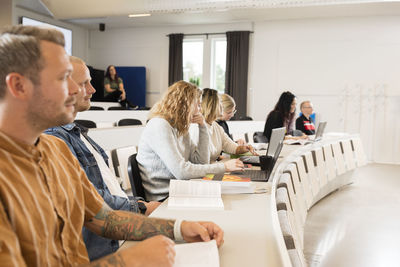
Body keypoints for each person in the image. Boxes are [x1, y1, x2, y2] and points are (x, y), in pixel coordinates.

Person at [0, 25, 223, 266]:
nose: (76, 89)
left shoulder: (57, 150)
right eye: (62, 78)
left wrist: (181, 228)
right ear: (19, 86)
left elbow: (105, 219)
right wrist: (127, 262)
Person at [45, 56, 161, 260]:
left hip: (116, 236)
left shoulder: (75, 133)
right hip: (105, 249)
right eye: (83, 83)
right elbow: (92, 206)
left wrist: (173, 227)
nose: (92, 90)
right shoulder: (53, 138)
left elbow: (96, 205)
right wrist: (141, 209)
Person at [137, 81, 244, 201]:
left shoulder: (180, 126)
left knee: (232, 195)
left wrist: (202, 126)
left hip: (181, 188)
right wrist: (223, 167)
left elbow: (201, 162)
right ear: (184, 104)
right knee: (227, 198)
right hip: (165, 197)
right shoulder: (159, 125)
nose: (199, 110)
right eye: (197, 105)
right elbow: (181, 171)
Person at [200, 88, 257, 163]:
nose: (221, 107)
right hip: (206, 172)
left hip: (214, 170)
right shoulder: (197, 128)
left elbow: (233, 148)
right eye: (219, 105)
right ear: (211, 107)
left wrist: (245, 148)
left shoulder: (217, 127)